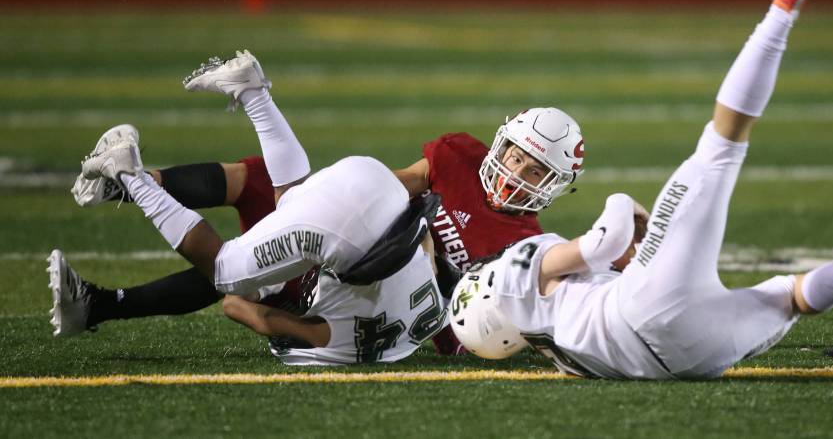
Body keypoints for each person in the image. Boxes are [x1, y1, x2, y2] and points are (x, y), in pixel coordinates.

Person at [447, 0, 833, 378]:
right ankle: (782, 8)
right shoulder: (507, 273)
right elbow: (605, 241)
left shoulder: (559, 356)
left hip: (688, 360)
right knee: (722, 144)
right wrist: (624, 204)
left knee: (789, 297)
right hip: (638, 308)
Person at [52, 52, 584, 354]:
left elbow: (478, 321)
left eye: (535, 170)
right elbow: (402, 183)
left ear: (554, 185)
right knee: (241, 240)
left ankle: (104, 285)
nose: (516, 172)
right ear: (502, 143)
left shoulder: (524, 244)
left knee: (260, 247)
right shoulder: (460, 155)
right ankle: (130, 180)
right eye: (515, 156)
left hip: (374, 280)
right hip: (365, 244)